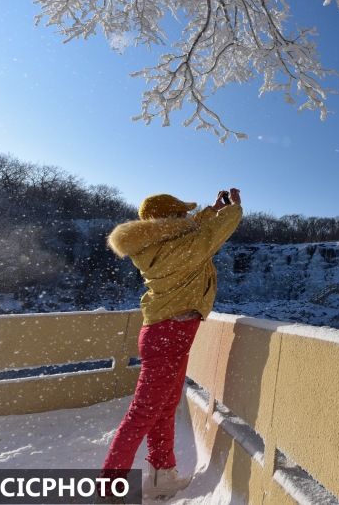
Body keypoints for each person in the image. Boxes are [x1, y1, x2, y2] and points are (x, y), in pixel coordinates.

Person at [102, 188, 243, 497]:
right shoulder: (176, 249)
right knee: (141, 414)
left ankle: (161, 475)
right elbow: (207, 238)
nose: (185, 218)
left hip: (167, 333)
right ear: (169, 220)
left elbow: (195, 232)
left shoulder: (157, 243)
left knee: (164, 408)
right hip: (169, 334)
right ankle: (108, 489)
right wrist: (232, 210)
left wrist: (212, 209)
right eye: (180, 214)